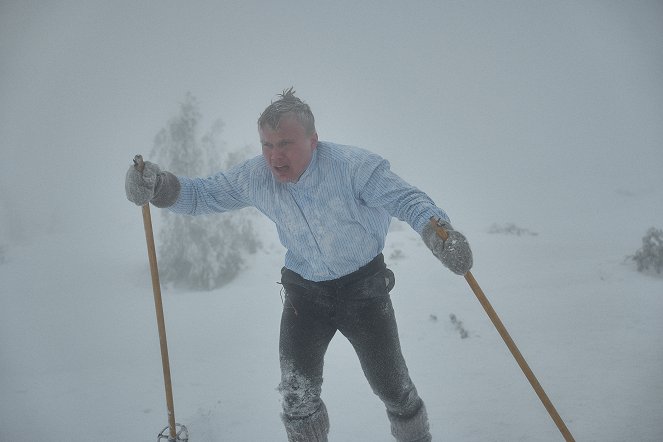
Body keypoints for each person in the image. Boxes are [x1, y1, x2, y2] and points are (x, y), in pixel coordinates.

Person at [125, 88, 472, 442]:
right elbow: (202, 194)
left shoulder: (354, 168)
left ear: (313, 140)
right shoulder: (255, 176)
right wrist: (158, 186)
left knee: (393, 389)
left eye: (285, 143)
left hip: (364, 290)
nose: (274, 156)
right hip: (305, 295)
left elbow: (407, 200)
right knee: (297, 398)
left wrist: (439, 233)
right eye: (266, 145)